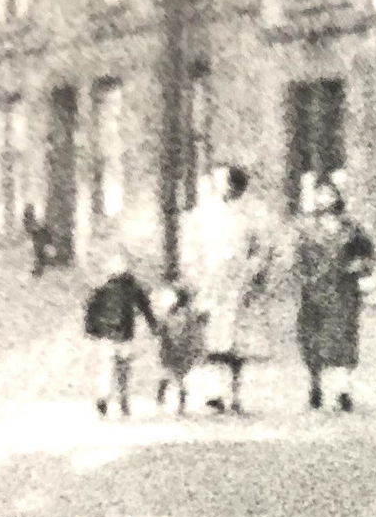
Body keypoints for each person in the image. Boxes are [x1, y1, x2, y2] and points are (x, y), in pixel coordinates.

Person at [181, 163, 269, 415]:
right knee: (210, 340)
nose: (220, 185)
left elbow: (261, 249)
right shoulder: (202, 214)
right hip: (209, 283)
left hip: (238, 286)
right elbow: (190, 248)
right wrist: (195, 276)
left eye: (225, 181)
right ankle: (213, 393)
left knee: (236, 344)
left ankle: (236, 392)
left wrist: (252, 272)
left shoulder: (250, 215)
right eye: (217, 180)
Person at [294, 176, 374, 411]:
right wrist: (304, 278)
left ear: (338, 197)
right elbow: (298, 260)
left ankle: (343, 390)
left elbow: (368, 254)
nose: (325, 199)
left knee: (344, 340)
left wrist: (359, 266)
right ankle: (316, 385)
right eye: (320, 194)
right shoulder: (306, 228)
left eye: (330, 194)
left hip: (343, 291)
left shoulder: (351, 228)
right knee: (313, 341)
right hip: (314, 293)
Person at [82, 248, 156, 417]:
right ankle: (123, 400)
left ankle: (103, 397)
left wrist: (91, 330)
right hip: (125, 334)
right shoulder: (134, 289)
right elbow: (146, 308)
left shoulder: (101, 289)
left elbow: (90, 311)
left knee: (106, 368)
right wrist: (153, 326)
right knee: (123, 369)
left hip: (106, 336)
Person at [153, 281, 203, 417]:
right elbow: (194, 333)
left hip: (169, 347)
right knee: (180, 377)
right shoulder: (190, 314)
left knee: (166, 374)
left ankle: (161, 399)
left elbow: (161, 329)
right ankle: (180, 405)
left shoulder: (171, 312)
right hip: (183, 348)